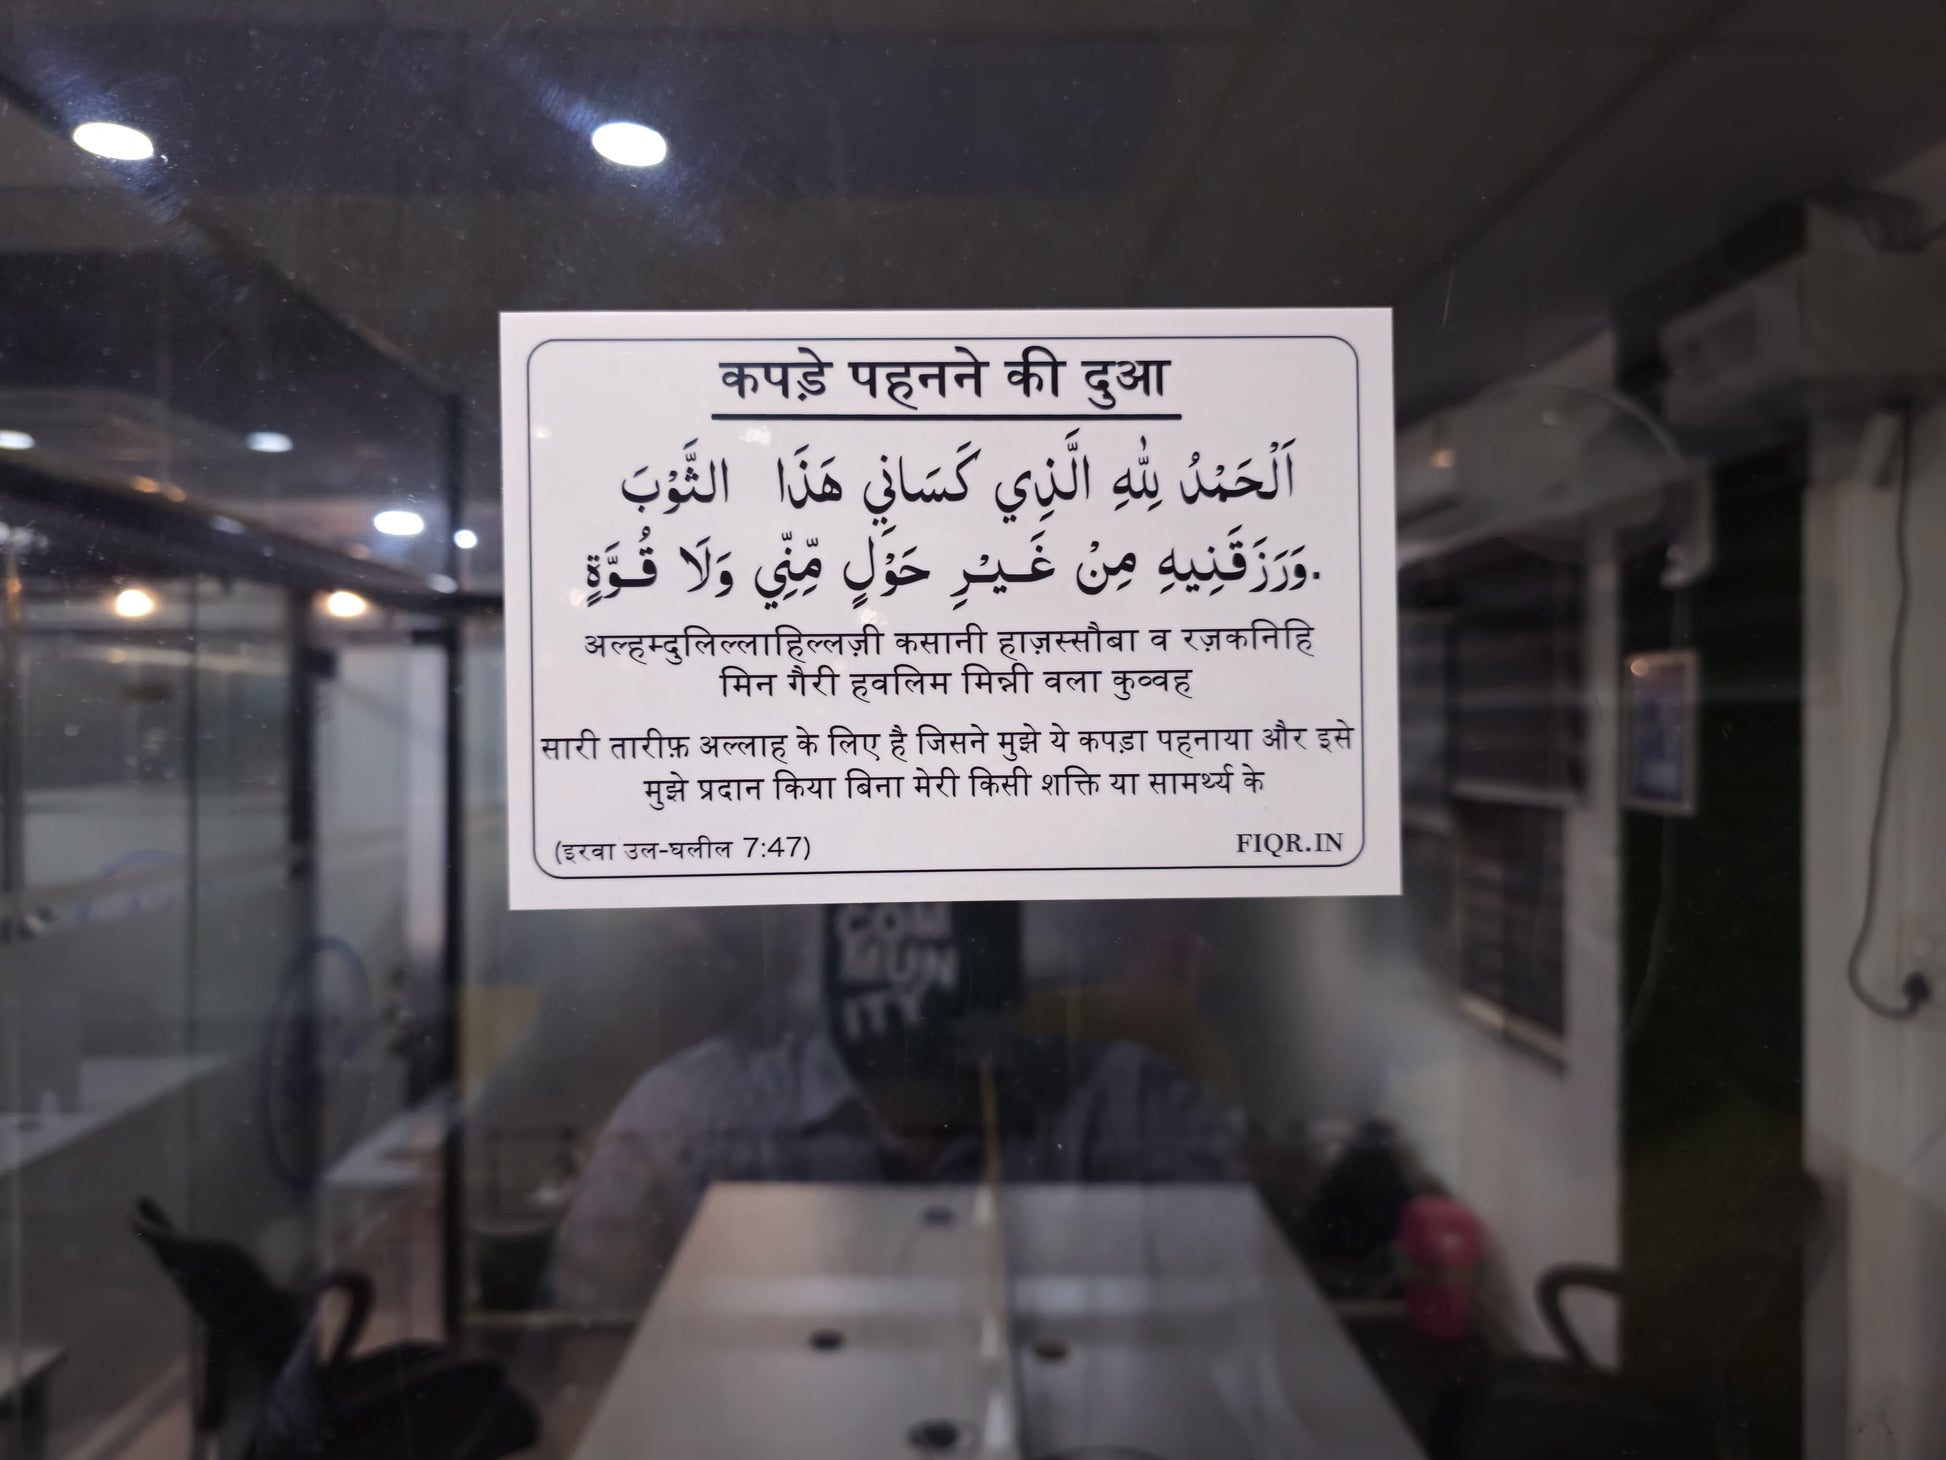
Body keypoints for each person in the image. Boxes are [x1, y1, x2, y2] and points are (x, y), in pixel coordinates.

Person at [550, 902, 1244, 1310]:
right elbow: (585, 1372)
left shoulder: (1131, 1103)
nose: (918, 946)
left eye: (956, 908)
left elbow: (1242, 1336)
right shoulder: (693, 1117)